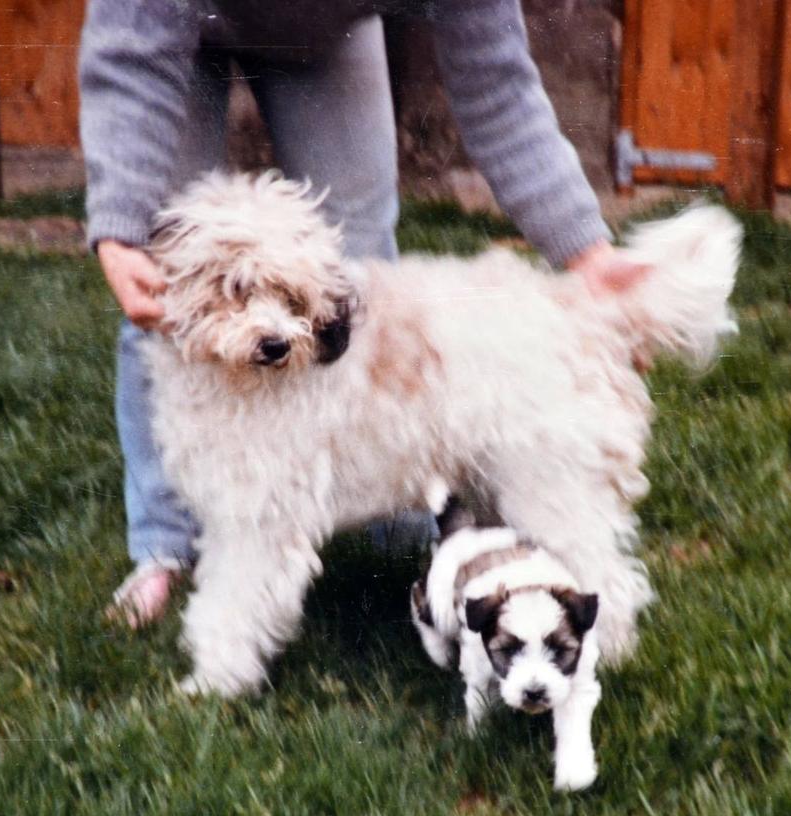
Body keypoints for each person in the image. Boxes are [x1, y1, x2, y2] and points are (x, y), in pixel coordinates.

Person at [80, 0, 643, 626]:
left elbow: (499, 86)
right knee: (166, 286)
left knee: (357, 267)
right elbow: (128, 55)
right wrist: (119, 226)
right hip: (166, 31)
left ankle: (395, 520)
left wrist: (587, 254)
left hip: (327, 29)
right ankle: (164, 549)